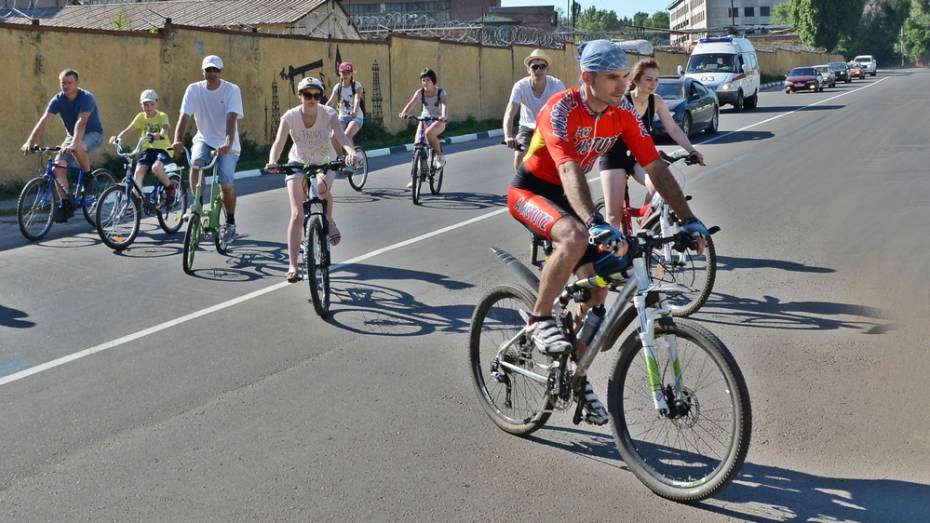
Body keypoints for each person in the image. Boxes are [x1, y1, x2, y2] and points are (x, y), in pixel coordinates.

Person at [507, 40, 709, 425]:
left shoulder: (624, 113)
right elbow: (567, 170)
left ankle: (574, 373)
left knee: (599, 286)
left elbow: (654, 166)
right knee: (576, 237)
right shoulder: (561, 109)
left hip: (570, 198)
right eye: (612, 78)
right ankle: (538, 319)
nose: (622, 84)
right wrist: (596, 222)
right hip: (532, 190)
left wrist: (688, 219)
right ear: (588, 78)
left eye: (623, 76)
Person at [266, 77, 356, 283]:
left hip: (325, 159)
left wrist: (350, 151)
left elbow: (341, 137)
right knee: (297, 214)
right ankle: (293, 266)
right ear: (300, 96)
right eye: (307, 95)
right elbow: (279, 143)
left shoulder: (329, 113)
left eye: (317, 95)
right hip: (298, 161)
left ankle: (330, 221)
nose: (312, 99)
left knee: (322, 190)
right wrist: (272, 161)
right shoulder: (290, 117)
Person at [599, 58, 705, 229]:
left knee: (658, 188)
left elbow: (673, 128)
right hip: (614, 157)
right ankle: (613, 252)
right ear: (636, 80)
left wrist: (692, 150)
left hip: (639, 156)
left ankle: (645, 223)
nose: (653, 83)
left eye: (657, 79)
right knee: (614, 215)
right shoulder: (622, 102)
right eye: (648, 79)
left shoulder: (656, 101)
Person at [172, 55, 244, 241]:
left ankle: (230, 221)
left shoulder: (231, 90)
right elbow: (185, 117)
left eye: (215, 70)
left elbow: (231, 116)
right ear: (202, 71)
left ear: (221, 72)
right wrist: (177, 140)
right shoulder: (194, 90)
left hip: (228, 144)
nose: (212, 73)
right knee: (195, 163)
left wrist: (228, 142)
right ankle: (197, 205)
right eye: (208, 70)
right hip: (204, 139)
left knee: (226, 184)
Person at [21, 68, 104, 222]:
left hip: (93, 133)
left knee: (78, 148)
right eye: (63, 83)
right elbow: (45, 120)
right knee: (57, 168)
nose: (66, 86)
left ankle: (88, 176)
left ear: (77, 83)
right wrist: (30, 141)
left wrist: (74, 144)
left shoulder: (86, 98)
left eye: (69, 83)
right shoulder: (58, 99)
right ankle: (66, 204)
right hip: (72, 136)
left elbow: (82, 122)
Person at [109, 89, 176, 206]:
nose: (149, 107)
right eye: (145, 104)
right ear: (141, 105)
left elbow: (165, 128)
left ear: (157, 103)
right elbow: (129, 130)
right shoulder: (141, 117)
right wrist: (118, 138)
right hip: (148, 150)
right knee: (138, 172)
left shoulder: (161, 116)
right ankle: (135, 203)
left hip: (163, 150)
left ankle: (170, 188)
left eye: (151, 104)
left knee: (156, 168)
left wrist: (159, 135)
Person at [502, 49, 565, 172]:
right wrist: (508, 136)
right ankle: (521, 188)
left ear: (547, 69)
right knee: (519, 155)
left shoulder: (557, 85)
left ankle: (561, 187)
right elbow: (510, 113)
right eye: (534, 67)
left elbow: (564, 111)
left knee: (561, 158)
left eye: (542, 66)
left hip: (550, 127)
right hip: (527, 127)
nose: (538, 70)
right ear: (528, 70)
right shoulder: (520, 86)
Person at [398, 68, 448, 187]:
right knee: (417, 145)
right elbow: (411, 103)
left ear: (433, 81)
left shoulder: (440, 92)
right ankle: (416, 176)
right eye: (423, 80)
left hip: (438, 120)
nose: (425, 82)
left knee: (429, 134)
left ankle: (440, 156)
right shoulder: (420, 92)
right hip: (424, 119)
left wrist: (443, 116)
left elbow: (445, 105)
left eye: (428, 80)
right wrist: (404, 112)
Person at [327, 61, 364, 151]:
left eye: (348, 73)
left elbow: (357, 98)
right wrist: (320, 112)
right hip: (342, 117)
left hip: (356, 117)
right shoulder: (338, 87)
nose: (345, 75)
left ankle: (353, 159)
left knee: (347, 135)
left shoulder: (356, 85)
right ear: (340, 73)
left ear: (351, 74)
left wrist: (355, 111)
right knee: (333, 137)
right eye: (343, 73)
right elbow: (330, 102)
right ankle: (340, 160)